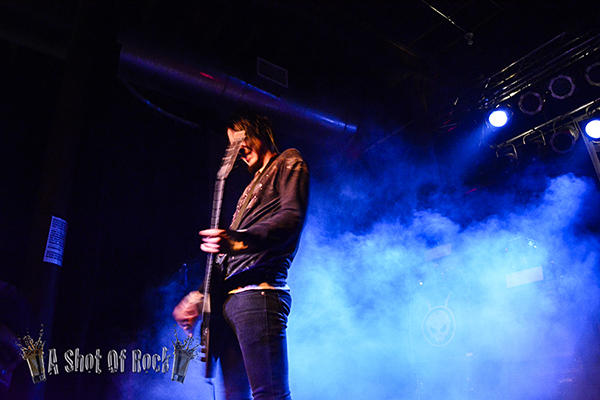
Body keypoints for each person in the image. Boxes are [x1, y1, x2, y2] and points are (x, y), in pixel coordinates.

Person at [173, 113, 309, 400]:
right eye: (231, 143)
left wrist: (238, 239)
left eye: (240, 138)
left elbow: (291, 218)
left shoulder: (288, 161)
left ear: (260, 132)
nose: (237, 148)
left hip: (257, 295)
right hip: (229, 304)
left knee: (269, 394)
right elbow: (227, 259)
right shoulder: (249, 190)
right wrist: (200, 295)